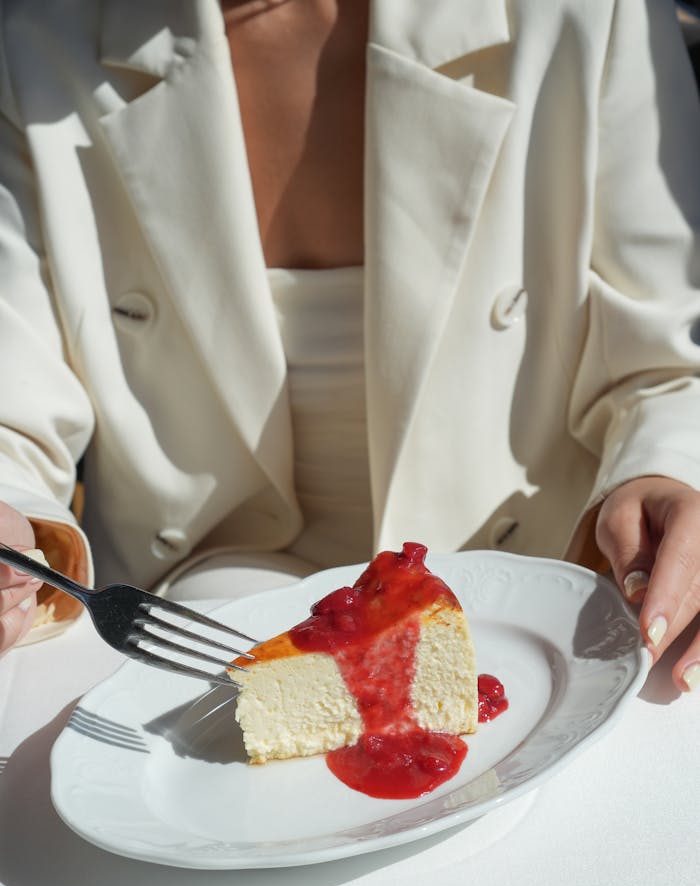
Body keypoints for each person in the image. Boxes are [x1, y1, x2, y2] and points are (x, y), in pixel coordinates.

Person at [1, 0, 699, 696]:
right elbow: (13, 398)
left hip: (536, 613)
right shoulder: (35, 45)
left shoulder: (593, 12)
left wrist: (671, 474)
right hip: (191, 632)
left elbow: (668, 361)